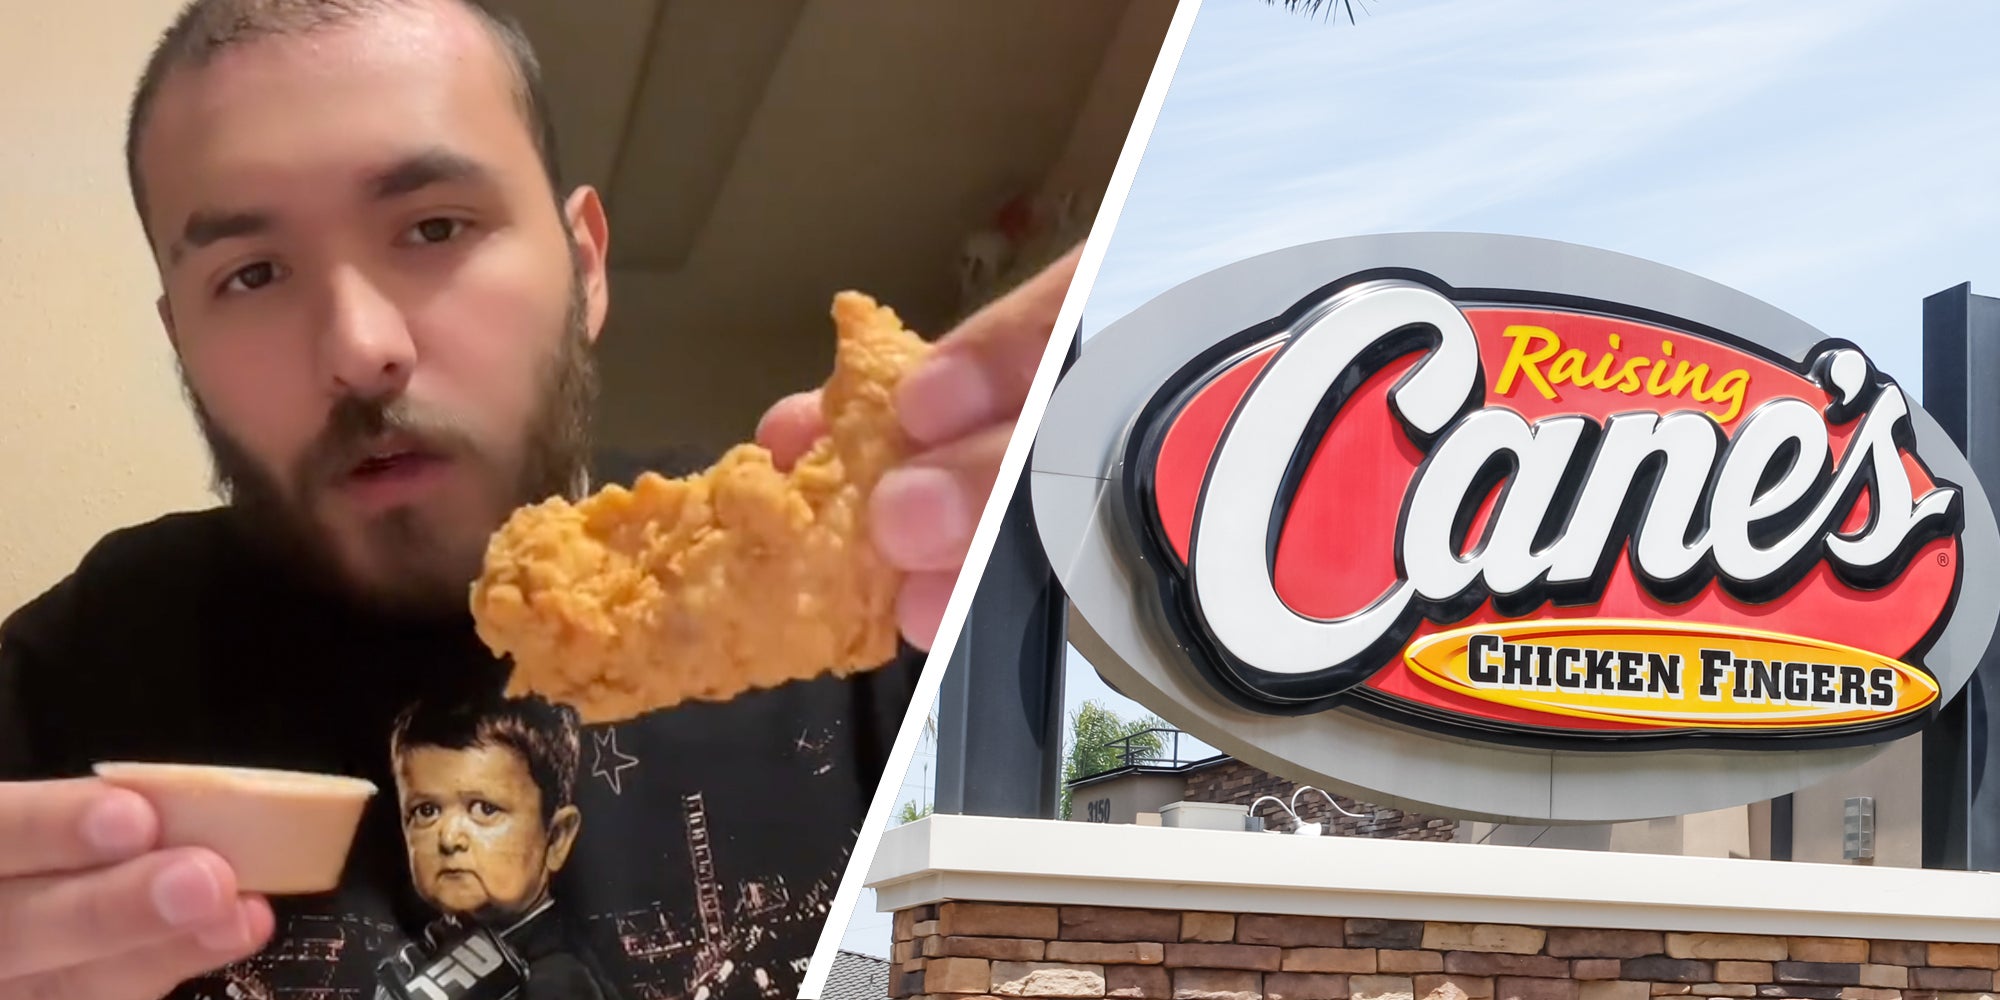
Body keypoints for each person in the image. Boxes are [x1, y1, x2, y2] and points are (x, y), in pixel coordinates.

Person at [0, 0, 1077, 997]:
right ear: (181, 340)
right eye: (250, 274)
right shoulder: (64, 680)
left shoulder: (902, 610)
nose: (360, 348)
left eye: (433, 227)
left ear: (585, 263)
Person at [376, 695, 623, 1000]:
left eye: (485, 808)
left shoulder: (558, 982)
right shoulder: (432, 952)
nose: (449, 838)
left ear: (557, 837)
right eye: (426, 810)